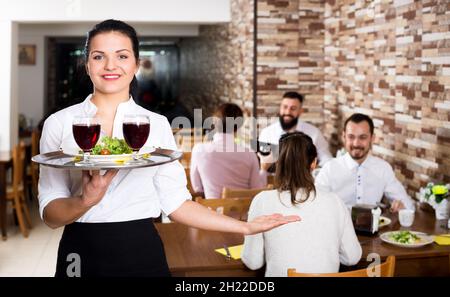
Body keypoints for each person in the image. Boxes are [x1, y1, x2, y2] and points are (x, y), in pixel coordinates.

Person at [38, 19, 300, 277]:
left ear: (136, 64)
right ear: (86, 65)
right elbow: (51, 215)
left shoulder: (157, 124)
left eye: (122, 56)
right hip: (81, 250)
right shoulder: (59, 124)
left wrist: (245, 227)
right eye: (98, 57)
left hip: (142, 247)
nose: (110, 66)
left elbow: (176, 203)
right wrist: (85, 201)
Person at [241, 132, 361, 276]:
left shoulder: (262, 201)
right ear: (314, 163)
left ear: (278, 162)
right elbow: (352, 257)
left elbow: (253, 262)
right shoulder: (335, 201)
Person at [315, 113, 415, 211]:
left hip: (374, 227)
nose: (356, 143)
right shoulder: (330, 168)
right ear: (344, 137)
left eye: (362, 137)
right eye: (351, 137)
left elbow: (408, 205)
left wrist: (401, 206)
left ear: (372, 139)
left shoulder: (383, 168)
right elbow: (314, 204)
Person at [190, 103, 267, 198]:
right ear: (238, 125)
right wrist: (264, 170)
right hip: (244, 211)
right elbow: (256, 191)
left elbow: (197, 188)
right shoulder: (250, 154)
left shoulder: (199, 150)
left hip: (212, 211)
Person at [258, 91, 332, 169]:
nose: (287, 112)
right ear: (280, 108)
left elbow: (327, 161)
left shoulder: (314, 133)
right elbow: (260, 162)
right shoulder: (267, 133)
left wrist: (314, 169)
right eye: (285, 107)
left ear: (300, 111)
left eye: (293, 108)